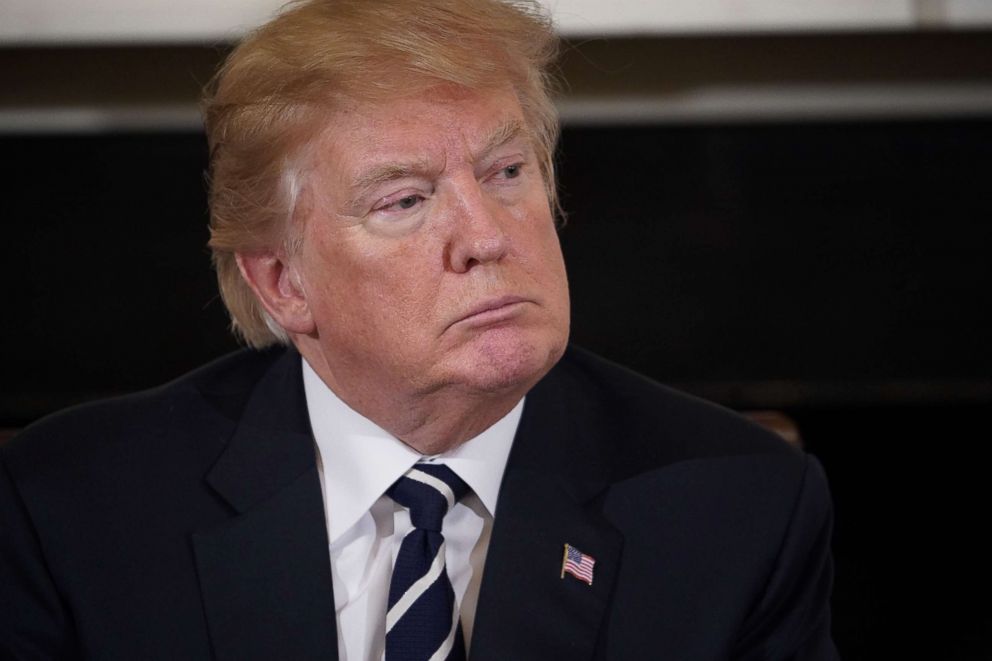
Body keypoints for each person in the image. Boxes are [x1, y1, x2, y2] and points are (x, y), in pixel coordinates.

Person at [0, 0, 838, 659]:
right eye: (404, 199)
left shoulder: (736, 512)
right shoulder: (71, 511)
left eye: (507, 172)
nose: (486, 236)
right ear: (284, 282)